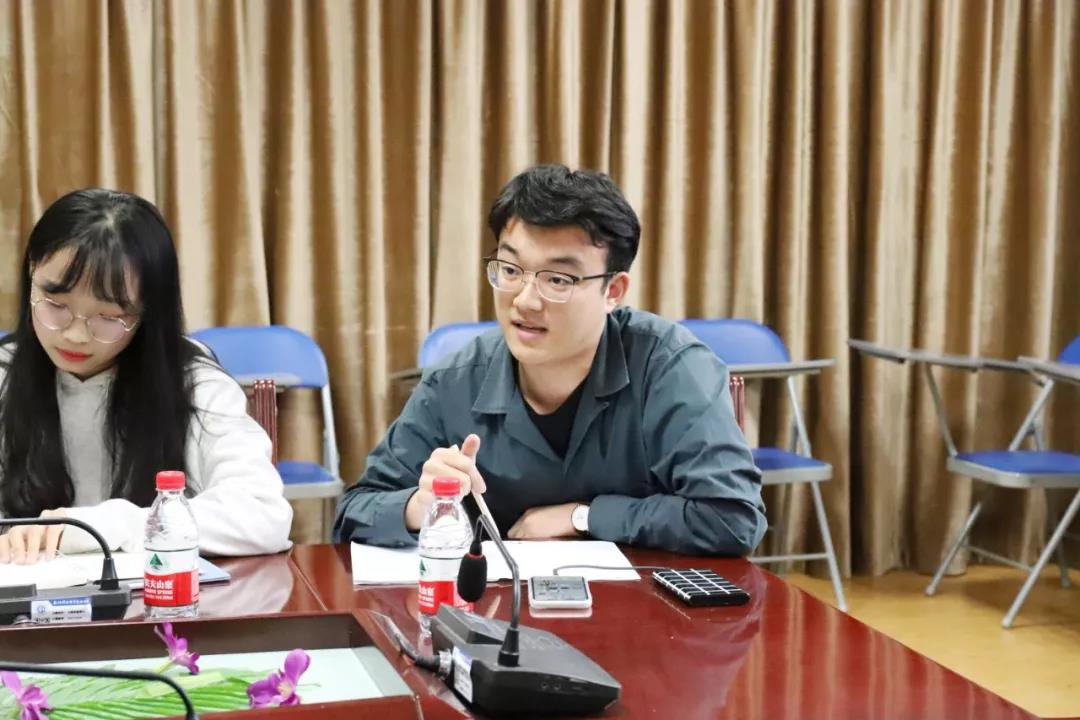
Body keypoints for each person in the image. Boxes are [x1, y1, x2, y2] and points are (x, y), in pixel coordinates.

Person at [334, 164, 765, 555]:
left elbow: (733, 517)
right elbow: (354, 511)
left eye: (558, 279)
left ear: (613, 291)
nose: (525, 300)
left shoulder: (669, 367)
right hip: (499, 609)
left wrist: (584, 516)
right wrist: (419, 505)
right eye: (510, 270)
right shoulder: (456, 380)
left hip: (643, 606)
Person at [0, 188, 293, 564]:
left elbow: (263, 516)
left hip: (160, 596)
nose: (75, 335)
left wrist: (109, 524)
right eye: (56, 305)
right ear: (31, 274)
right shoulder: (6, 373)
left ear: (147, 313)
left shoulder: (194, 385)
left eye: (108, 317)